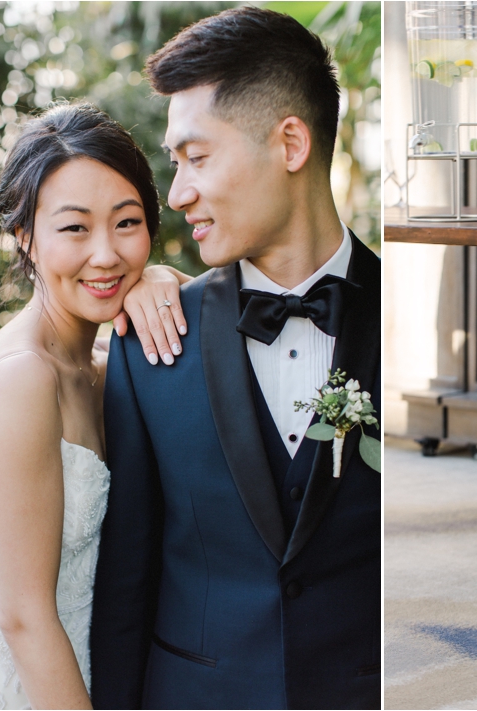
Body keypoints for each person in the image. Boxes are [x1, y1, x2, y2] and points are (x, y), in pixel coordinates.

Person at [89, 7, 381, 709]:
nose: (179, 192)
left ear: (289, 143)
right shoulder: (150, 339)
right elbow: (126, 584)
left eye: (197, 157)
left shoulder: (411, 327)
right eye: (175, 164)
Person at [0, 103, 189, 710]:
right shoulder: (23, 379)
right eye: (74, 228)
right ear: (26, 236)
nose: (106, 255)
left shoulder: (103, 359)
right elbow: (24, 618)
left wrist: (166, 280)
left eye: (126, 224)